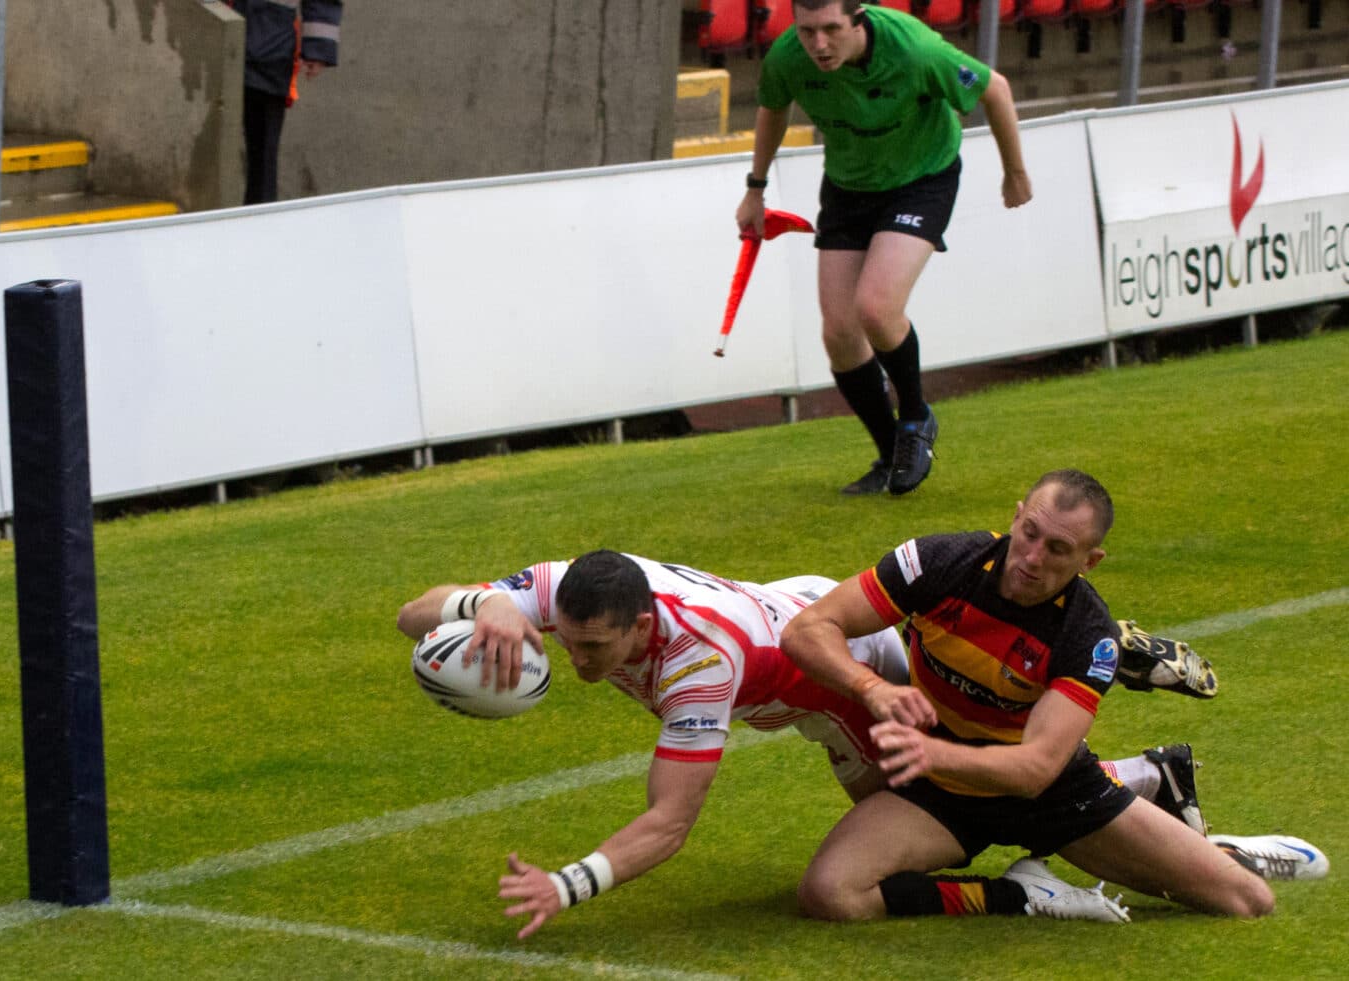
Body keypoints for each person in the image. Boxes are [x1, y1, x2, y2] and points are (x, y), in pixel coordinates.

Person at [396, 550, 1232, 935]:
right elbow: (411, 615)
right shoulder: (570, 585)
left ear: (642, 627)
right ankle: (1148, 771)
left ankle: (1035, 875)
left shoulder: (699, 666)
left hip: (840, 677)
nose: (575, 664)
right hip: (788, 626)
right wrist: (483, 604)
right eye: (565, 641)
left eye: (596, 652)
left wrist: (567, 885)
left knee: (930, 816)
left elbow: (669, 823)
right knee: (956, 790)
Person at [778, 469, 1327, 923]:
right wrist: (870, 688)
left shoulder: (1089, 635)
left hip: (1052, 797)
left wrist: (933, 753)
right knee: (831, 894)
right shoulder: (938, 563)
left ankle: (1223, 854)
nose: (1033, 558)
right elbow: (807, 629)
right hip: (940, 795)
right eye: (1030, 533)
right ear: (1016, 517)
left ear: (1090, 562)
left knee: (1246, 902)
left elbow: (1035, 771)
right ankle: (1022, 896)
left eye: (1059, 549)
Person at [736, 0, 1032, 496]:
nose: (819, 45)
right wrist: (755, 188)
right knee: (839, 333)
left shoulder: (913, 50)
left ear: (859, 19)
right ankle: (890, 451)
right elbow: (773, 107)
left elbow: (995, 90)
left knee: (875, 307)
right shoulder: (788, 58)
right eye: (808, 31)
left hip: (921, 179)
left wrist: (1014, 172)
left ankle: (917, 418)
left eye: (832, 29)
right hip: (850, 185)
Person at [227, 0, 344, 205]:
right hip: (221, 33)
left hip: (271, 50)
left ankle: (259, 225)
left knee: (263, 159)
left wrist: (318, 49)